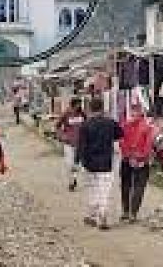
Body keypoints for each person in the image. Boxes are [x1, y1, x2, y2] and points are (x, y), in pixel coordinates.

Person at [75, 97, 123, 230]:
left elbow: (81, 146)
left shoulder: (85, 125)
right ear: (102, 108)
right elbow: (120, 134)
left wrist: (77, 161)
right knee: (104, 190)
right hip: (106, 162)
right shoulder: (110, 123)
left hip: (89, 163)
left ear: (90, 109)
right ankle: (102, 214)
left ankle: (92, 215)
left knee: (92, 189)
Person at [119, 101, 156, 223]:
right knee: (138, 186)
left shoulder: (125, 125)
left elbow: (122, 142)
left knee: (126, 185)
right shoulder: (147, 126)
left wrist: (129, 155)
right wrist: (140, 157)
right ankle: (132, 213)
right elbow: (148, 145)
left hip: (128, 159)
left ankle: (126, 211)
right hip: (140, 160)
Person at [55, 97, 86, 191]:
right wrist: (62, 136)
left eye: (80, 104)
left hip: (80, 143)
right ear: (73, 104)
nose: (79, 106)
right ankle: (71, 179)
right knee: (69, 163)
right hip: (68, 143)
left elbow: (87, 125)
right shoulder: (66, 114)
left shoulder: (83, 114)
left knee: (77, 164)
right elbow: (57, 126)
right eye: (77, 104)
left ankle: (73, 180)